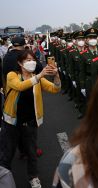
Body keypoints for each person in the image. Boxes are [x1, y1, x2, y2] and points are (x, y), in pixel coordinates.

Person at [0, 50, 61, 188]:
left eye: (33, 59)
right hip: (11, 122)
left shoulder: (37, 77)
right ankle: (3, 178)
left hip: (30, 122)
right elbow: (20, 86)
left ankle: (33, 177)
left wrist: (56, 76)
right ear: (19, 63)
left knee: (32, 152)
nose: (31, 62)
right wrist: (40, 75)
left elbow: (55, 89)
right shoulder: (12, 75)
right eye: (27, 60)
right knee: (7, 152)